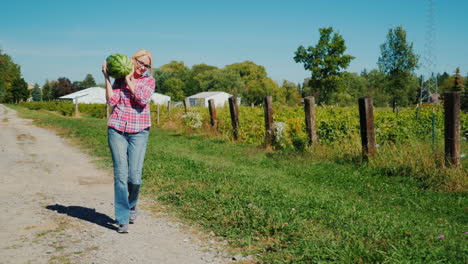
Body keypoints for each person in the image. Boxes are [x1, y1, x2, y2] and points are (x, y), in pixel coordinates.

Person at [102, 49, 155, 233]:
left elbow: (142, 99)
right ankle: (122, 218)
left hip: (139, 132)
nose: (142, 67)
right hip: (117, 129)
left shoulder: (149, 81)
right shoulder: (118, 81)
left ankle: (132, 205)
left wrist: (130, 82)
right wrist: (107, 78)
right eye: (140, 63)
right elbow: (111, 101)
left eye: (146, 65)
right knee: (121, 176)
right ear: (132, 61)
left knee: (135, 177)